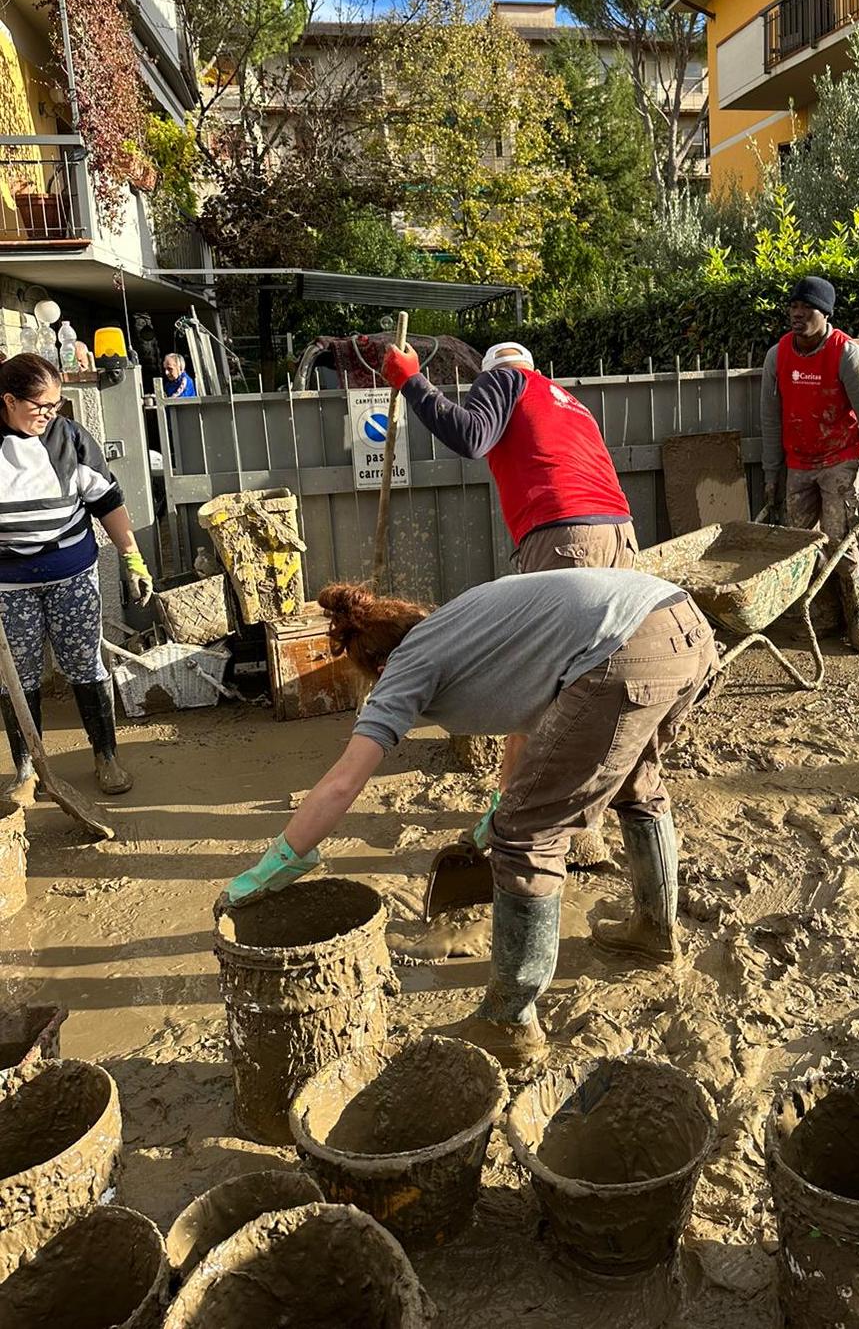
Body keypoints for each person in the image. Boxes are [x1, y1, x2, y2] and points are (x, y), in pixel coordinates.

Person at [224, 568, 719, 1067]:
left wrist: (277, 862)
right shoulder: (461, 621)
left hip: (622, 650)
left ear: (377, 665)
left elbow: (343, 783)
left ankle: (509, 1022)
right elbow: (538, 712)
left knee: (529, 836)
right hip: (682, 624)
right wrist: (505, 799)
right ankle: (654, 935)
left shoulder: (407, 664)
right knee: (637, 788)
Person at [382, 338, 637, 860]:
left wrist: (411, 380)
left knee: (543, 686)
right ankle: (582, 813)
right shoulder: (566, 400)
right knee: (598, 681)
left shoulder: (505, 379)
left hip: (566, 537)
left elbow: (472, 436)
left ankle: (526, 817)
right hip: (619, 536)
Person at [0, 354, 154, 801]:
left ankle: (105, 756)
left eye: (56, 405)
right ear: (9, 401)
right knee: (16, 677)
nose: (50, 414)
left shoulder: (69, 439)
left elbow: (107, 502)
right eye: (41, 406)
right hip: (9, 586)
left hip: (71, 574)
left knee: (85, 665)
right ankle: (28, 769)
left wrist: (132, 558)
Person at [760, 276, 859, 653]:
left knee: (841, 540)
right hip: (798, 462)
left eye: (806, 307)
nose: (797, 313)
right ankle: (820, 616)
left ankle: (857, 616)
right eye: (793, 306)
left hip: (839, 459)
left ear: (826, 313)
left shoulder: (848, 356)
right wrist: (772, 476)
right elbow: (771, 420)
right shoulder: (778, 356)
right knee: (800, 544)